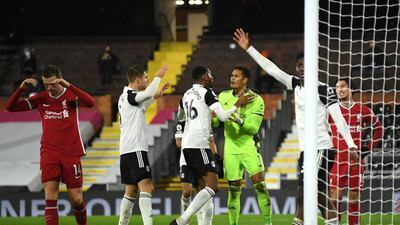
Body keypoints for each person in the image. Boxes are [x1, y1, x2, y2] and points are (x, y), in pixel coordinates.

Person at [233, 28, 358, 225]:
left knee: (306, 190)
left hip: (321, 147)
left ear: (313, 67)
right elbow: (272, 69)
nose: (300, 69)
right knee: (312, 192)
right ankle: (325, 221)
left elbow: (338, 118)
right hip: (306, 149)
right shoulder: (295, 85)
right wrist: (249, 49)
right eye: (298, 65)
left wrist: (350, 144)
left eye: (304, 66)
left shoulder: (323, 89)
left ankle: (299, 221)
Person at [6, 64, 96, 225]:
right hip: (49, 152)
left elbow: (90, 103)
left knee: (76, 199)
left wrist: (70, 85)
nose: (50, 87)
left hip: (71, 152)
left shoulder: (71, 97)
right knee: (50, 195)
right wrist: (20, 89)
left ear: (60, 81)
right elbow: (11, 107)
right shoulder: (41, 98)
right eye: (46, 84)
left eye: (53, 83)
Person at [170, 66, 252, 225]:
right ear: (203, 77)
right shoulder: (207, 93)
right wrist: (238, 103)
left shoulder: (185, 95)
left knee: (203, 188)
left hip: (187, 145)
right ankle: (182, 221)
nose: (212, 78)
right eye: (210, 75)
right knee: (213, 186)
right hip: (199, 144)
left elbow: (180, 115)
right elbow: (223, 116)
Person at [215, 66, 272, 225]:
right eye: (231, 75)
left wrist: (238, 120)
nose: (232, 78)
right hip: (230, 150)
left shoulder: (256, 99)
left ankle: (268, 223)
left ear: (245, 80)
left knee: (260, 186)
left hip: (249, 148)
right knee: (233, 191)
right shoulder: (223, 96)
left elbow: (253, 129)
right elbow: (215, 120)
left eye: (236, 76)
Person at [117, 65, 170, 225]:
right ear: (138, 80)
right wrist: (158, 76)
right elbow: (145, 94)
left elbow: (141, 107)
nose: (148, 79)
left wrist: (156, 96)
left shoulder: (124, 96)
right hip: (136, 149)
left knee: (131, 190)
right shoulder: (131, 95)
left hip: (125, 150)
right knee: (147, 187)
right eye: (146, 77)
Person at [329, 78, 383, 225]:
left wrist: (368, 148)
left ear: (351, 88)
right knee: (334, 197)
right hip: (337, 160)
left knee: (354, 198)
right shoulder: (332, 111)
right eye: (337, 87)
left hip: (355, 161)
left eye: (343, 86)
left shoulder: (362, 109)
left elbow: (379, 129)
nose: (339, 90)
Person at [175, 120, 218, 225]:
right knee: (187, 192)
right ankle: (186, 218)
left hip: (202, 159)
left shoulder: (204, 121)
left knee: (204, 191)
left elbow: (211, 141)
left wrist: (215, 156)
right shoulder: (182, 123)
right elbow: (178, 143)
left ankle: (202, 222)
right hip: (186, 160)